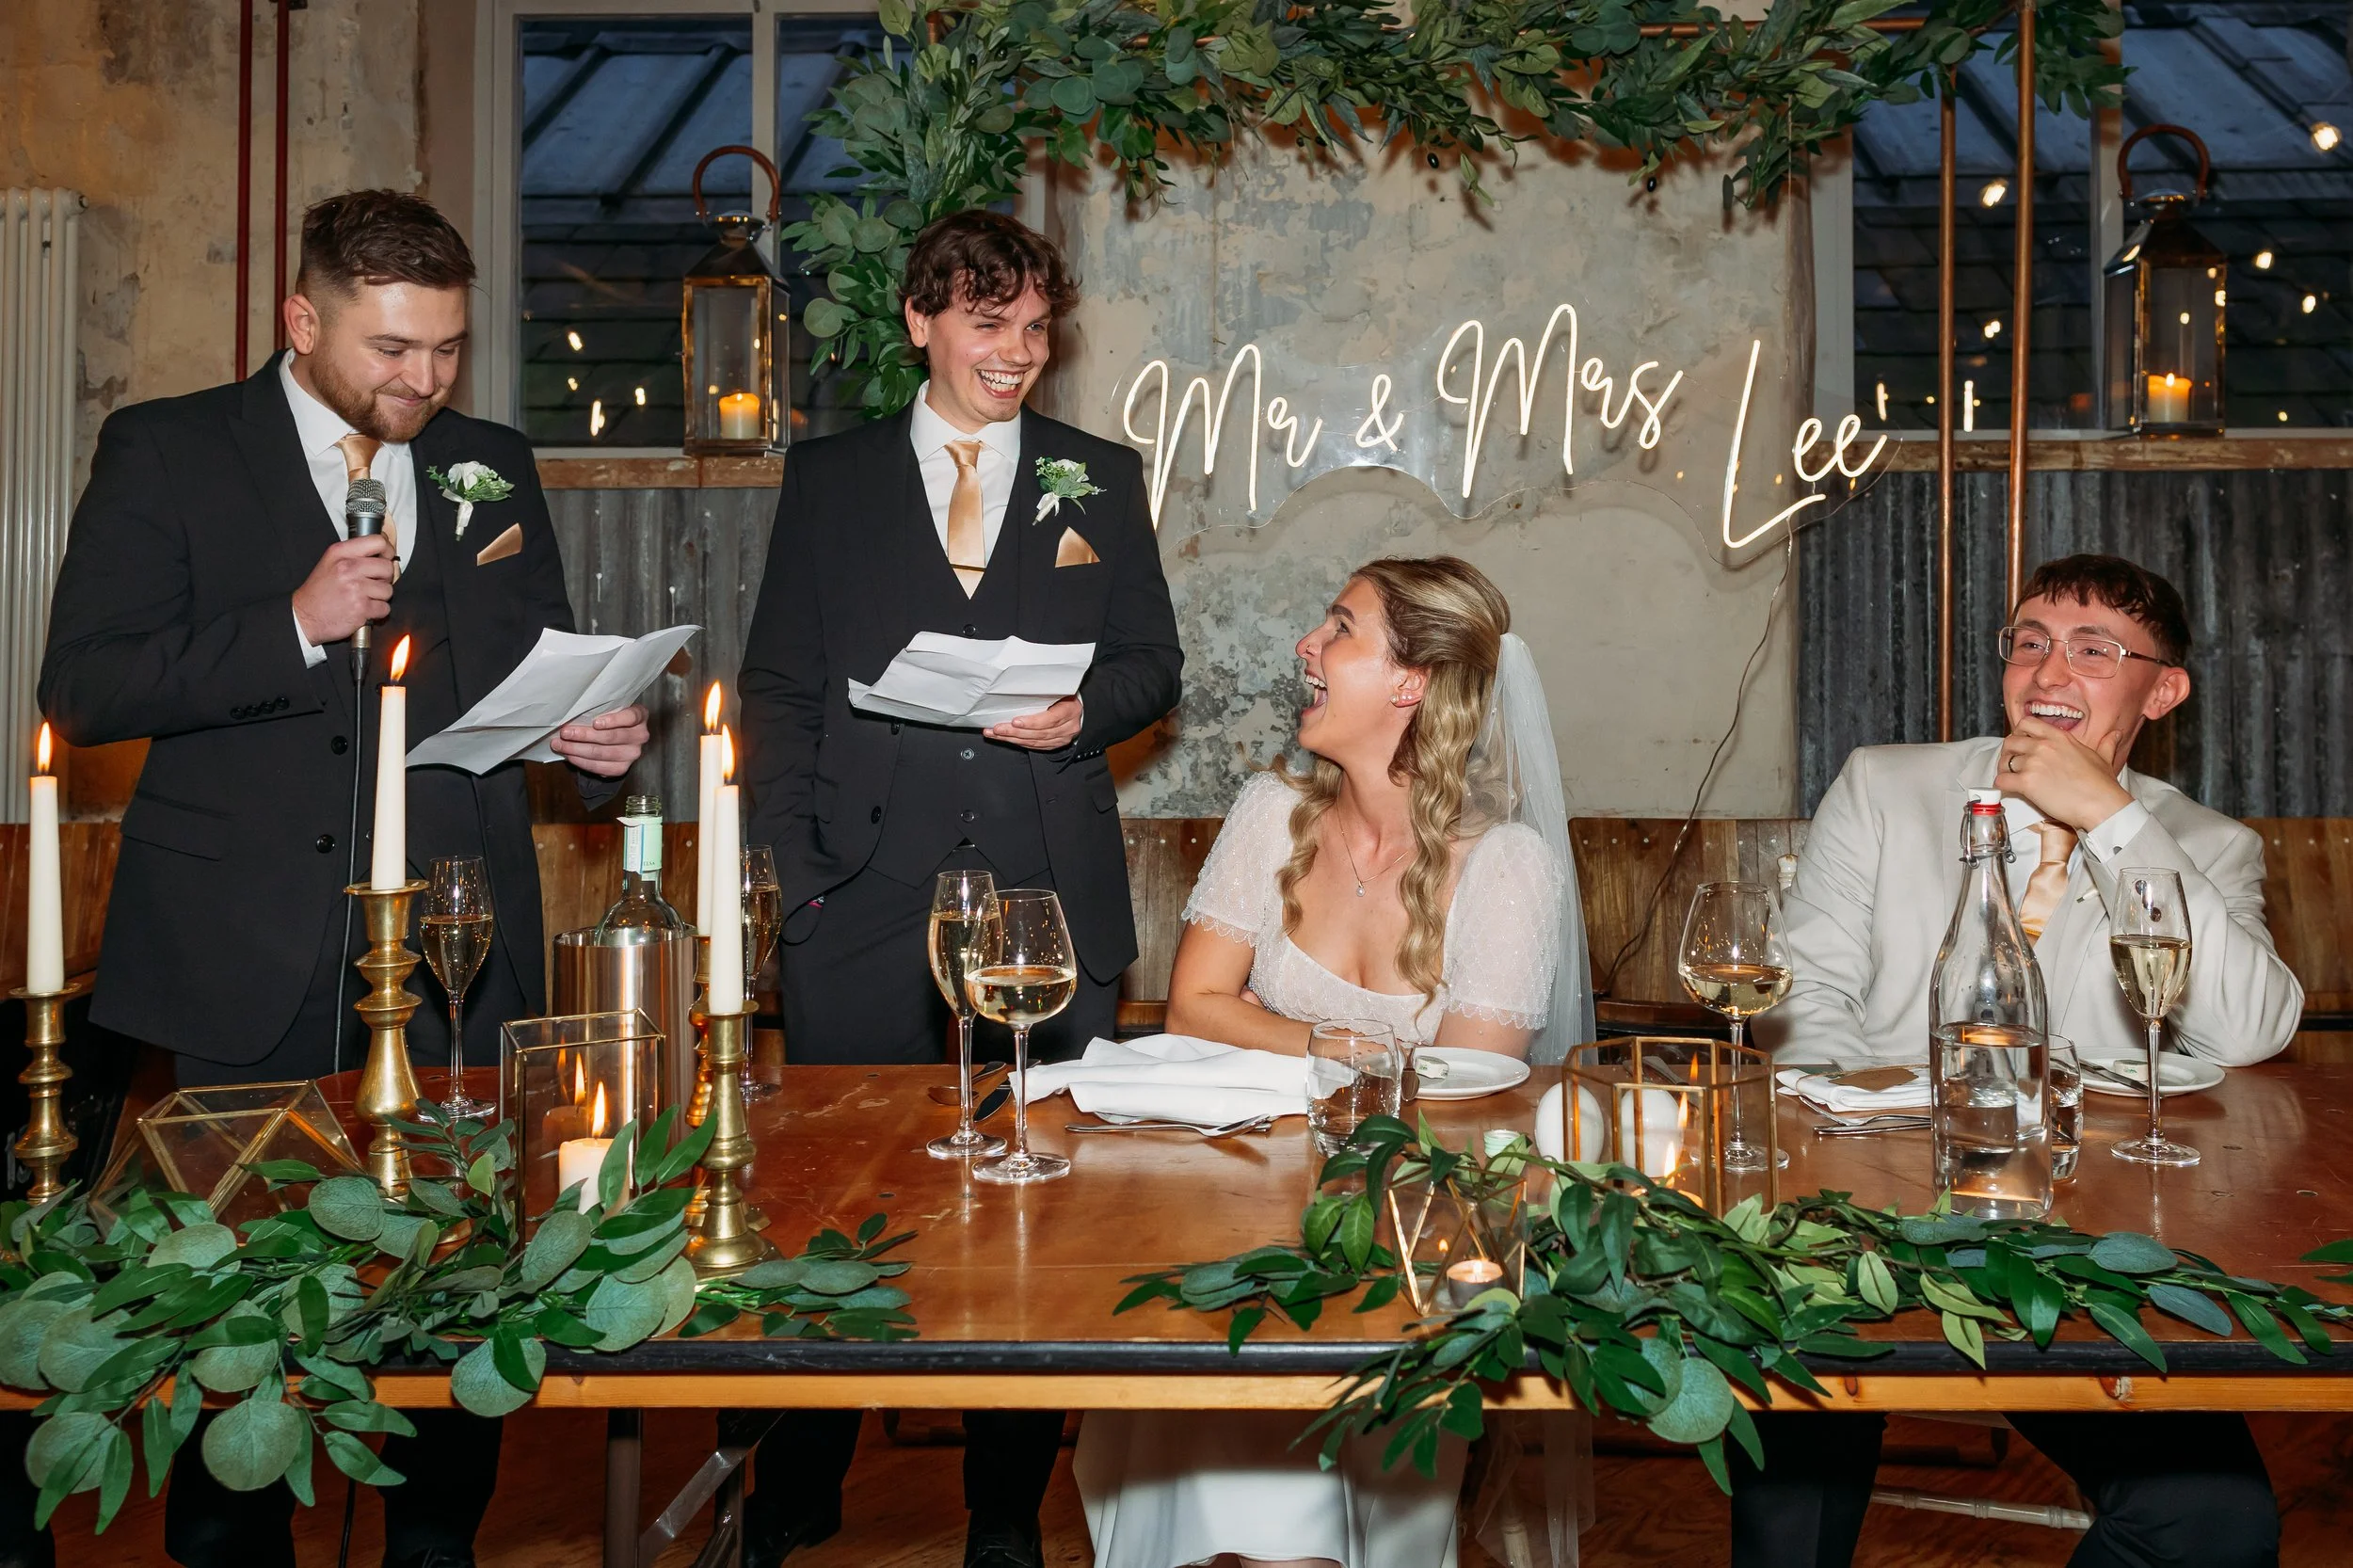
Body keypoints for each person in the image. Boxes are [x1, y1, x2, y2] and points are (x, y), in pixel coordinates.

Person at [39, 190, 649, 1568]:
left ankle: (433, 1546)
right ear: (302, 320)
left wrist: (589, 742)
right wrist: (294, 625)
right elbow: (82, 685)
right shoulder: (171, 447)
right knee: (243, 1306)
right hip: (240, 947)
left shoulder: (493, 462)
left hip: (457, 940)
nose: (423, 381)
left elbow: (524, 666)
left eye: (444, 348)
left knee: (458, 1293)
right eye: (390, 348)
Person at [736, 210, 1182, 1568]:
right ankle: (804, 1476)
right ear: (922, 321)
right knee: (835, 1192)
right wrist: (797, 877)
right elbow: (781, 685)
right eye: (991, 324)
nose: (1020, 353)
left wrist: (1077, 710)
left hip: (1049, 879)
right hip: (861, 887)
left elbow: (1153, 665)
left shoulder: (1098, 476)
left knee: (1042, 1198)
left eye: (1039, 327)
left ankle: (1003, 1506)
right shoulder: (832, 478)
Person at [1741, 553, 2297, 1568]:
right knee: (1792, 1477)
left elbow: (2251, 1030)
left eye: (2094, 649)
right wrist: (1848, 1151)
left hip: (2078, 1247)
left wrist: (2111, 820)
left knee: (2212, 1521)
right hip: (1861, 1212)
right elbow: (1801, 999)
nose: (2050, 668)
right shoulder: (1886, 783)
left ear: (2162, 689)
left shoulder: (2202, 848)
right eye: (2030, 640)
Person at [1075, 555, 1593, 1568]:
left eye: (1338, 628)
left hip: (1405, 1238)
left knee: (1301, 1519)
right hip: (1232, 1207)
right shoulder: (1273, 813)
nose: (1304, 648)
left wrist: (1276, 1027)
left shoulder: (1509, 869)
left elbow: (1461, 1094)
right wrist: (1375, 1053)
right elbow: (1191, 1003)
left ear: (1412, 683)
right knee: (1203, 1454)